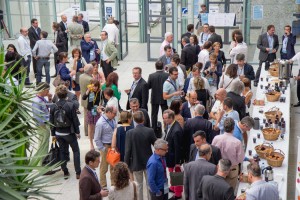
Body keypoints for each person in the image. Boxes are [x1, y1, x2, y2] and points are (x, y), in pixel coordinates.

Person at [50, 85, 81, 179]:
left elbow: (51, 122)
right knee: (76, 151)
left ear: (57, 95)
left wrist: (53, 135)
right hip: (69, 132)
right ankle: (78, 172)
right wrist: (77, 132)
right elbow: (74, 120)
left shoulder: (53, 106)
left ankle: (65, 171)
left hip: (58, 133)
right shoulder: (70, 105)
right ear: (66, 94)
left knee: (62, 152)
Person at [125, 111, 156, 200]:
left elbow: (127, 151)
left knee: (138, 186)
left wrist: (127, 165)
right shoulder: (149, 131)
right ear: (143, 119)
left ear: (133, 120)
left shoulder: (130, 133)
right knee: (150, 184)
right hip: (149, 163)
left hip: (136, 163)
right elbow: (156, 145)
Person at [212, 117, 244, 189]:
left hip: (219, 169)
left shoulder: (216, 138)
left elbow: (212, 152)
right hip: (231, 169)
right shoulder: (237, 142)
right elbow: (240, 159)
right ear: (233, 128)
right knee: (230, 192)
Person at [94, 106, 118, 187]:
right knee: (104, 168)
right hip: (106, 146)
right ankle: (103, 186)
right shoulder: (100, 123)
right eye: (114, 113)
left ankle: (113, 184)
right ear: (109, 112)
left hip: (113, 146)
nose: (115, 115)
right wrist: (103, 149)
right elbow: (97, 138)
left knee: (113, 167)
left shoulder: (113, 119)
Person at [162, 110, 183, 199]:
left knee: (176, 174)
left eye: (165, 118)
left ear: (171, 118)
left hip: (174, 158)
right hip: (170, 156)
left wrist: (177, 162)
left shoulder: (176, 130)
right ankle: (173, 187)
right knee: (171, 173)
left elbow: (178, 148)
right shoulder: (170, 125)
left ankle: (178, 193)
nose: (164, 120)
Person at [148, 61, 169, 136]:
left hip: (154, 98)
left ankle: (153, 130)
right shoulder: (167, 75)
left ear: (155, 66)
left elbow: (149, 86)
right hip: (164, 98)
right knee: (166, 115)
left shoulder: (151, 76)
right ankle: (166, 129)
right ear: (163, 66)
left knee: (154, 115)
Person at [32, 82, 53, 156]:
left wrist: (50, 99)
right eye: (47, 90)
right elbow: (37, 115)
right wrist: (42, 125)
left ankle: (43, 162)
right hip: (42, 125)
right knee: (43, 144)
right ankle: (42, 163)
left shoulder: (42, 99)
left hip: (45, 124)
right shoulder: (37, 101)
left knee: (45, 143)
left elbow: (50, 106)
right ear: (43, 90)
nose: (48, 92)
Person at [82, 79, 103, 150]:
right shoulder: (90, 92)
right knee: (90, 127)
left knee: (98, 126)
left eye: (96, 86)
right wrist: (88, 90)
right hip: (90, 111)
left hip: (97, 111)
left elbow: (103, 100)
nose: (94, 88)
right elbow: (83, 98)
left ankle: (98, 141)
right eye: (93, 86)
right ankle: (91, 143)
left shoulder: (100, 92)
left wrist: (101, 106)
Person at [79, 64, 93, 136]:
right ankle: (90, 132)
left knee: (86, 116)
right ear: (90, 70)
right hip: (89, 100)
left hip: (83, 100)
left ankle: (86, 132)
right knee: (90, 116)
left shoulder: (81, 76)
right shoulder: (90, 79)